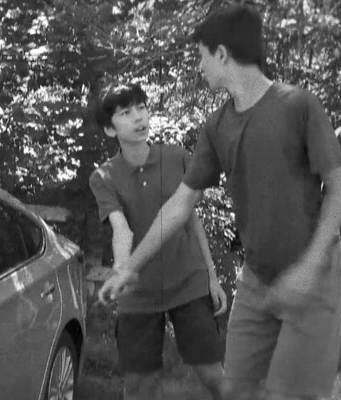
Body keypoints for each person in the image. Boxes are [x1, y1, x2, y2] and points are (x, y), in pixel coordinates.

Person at [98, 5, 341, 400]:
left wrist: (310, 267)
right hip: (256, 283)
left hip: (315, 278)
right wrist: (131, 267)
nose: (199, 67)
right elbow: (179, 205)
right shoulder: (215, 127)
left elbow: (337, 186)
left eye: (201, 56)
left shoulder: (299, 106)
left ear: (223, 54)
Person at [89, 82, 227, 399]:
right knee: (138, 387)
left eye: (142, 107)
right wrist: (122, 270)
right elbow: (120, 228)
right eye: (126, 113)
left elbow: (191, 219)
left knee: (213, 375)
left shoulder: (178, 158)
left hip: (188, 283)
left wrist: (212, 277)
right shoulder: (103, 178)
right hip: (138, 295)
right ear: (111, 130)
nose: (139, 117)